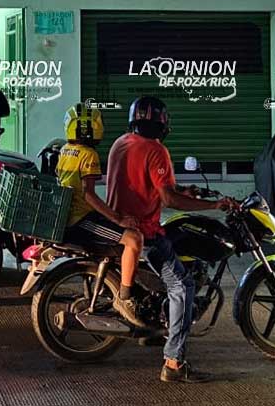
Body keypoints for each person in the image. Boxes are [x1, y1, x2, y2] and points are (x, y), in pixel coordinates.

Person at [106, 96, 233, 384]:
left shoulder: (121, 143)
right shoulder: (156, 150)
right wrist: (214, 206)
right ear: (161, 123)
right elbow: (169, 199)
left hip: (120, 225)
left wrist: (191, 190)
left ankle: (154, 328)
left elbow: (154, 186)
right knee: (183, 284)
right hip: (145, 232)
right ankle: (174, 362)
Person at [56, 103, 145, 325]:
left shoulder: (65, 150)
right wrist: (117, 218)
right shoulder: (89, 155)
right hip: (81, 220)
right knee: (134, 239)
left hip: (69, 216)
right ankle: (125, 298)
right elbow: (89, 196)